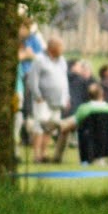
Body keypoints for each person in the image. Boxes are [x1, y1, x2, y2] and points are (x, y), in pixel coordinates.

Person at [28, 33, 71, 163]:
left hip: (57, 101)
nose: (62, 50)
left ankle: (44, 153)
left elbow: (64, 80)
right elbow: (32, 80)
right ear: (52, 48)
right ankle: (37, 155)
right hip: (43, 100)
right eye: (60, 47)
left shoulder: (62, 61)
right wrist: (37, 95)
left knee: (50, 128)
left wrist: (66, 97)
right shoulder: (39, 59)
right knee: (39, 127)